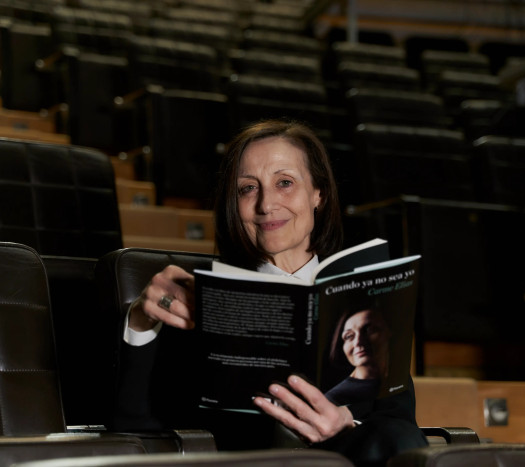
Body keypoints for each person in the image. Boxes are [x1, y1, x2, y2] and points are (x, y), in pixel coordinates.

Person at [120, 119, 427, 466]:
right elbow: (135, 430)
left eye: (285, 183)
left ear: (318, 195)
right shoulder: (198, 300)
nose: (266, 204)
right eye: (248, 188)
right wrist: (141, 321)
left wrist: (347, 426)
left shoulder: (369, 300)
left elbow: (402, 431)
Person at [325, 308, 391, 406]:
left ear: (389, 333)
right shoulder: (335, 398)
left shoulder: (400, 381)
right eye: (349, 336)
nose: (358, 342)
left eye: (369, 330)